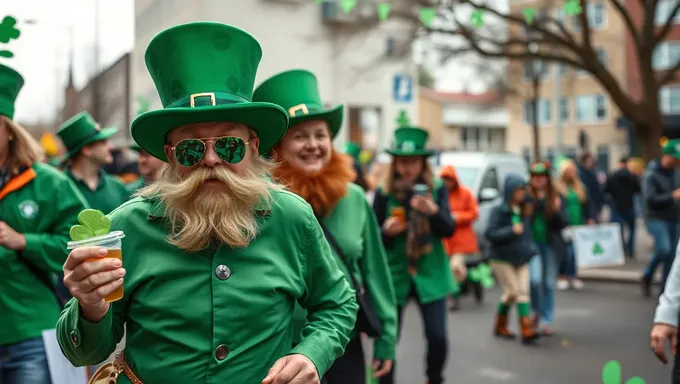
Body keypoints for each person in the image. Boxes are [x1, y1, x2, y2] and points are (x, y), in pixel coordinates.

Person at [56, 22, 358, 384]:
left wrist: (313, 353)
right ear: (169, 155)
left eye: (228, 145)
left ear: (253, 146)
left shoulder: (291, 217)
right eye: (191, 148)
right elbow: (84, 353)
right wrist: (90, 307)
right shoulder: (127, 226)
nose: (211, 160)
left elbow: (338, 304)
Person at [253, 69, 398, 384]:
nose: (313, 145)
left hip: (342, 337)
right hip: (279, 345)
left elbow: (374, 270)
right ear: (276, 146)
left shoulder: (354, 197)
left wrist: (386, 335)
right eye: (300, 136)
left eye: (320, 135)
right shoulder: (260, 202)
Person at [0, 63, 88, 383]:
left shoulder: (49, 183)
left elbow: (85, 244)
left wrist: (23, 241)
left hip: (29, 333)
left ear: (10, 130)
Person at [372, 123, 456, 384]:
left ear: (423, 164)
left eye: (413, 162)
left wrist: (432, 211)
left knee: (437, 336)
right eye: (402, 162)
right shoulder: (384, 194)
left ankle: (433, 378)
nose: (407, 168)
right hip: (395, 274)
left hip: (430, 271)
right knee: (387, 339)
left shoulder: (438, 190)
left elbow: (449, 229)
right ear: (394, 163)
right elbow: (372, 239)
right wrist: (386, 232)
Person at [486, 174, 539, 344]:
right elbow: (490, 233)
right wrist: (510, 230)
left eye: (523, 190)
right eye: (518, 190)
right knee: (514, 292)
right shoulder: (499, 210)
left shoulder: (525, 209)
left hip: (521, 257)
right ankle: (519, 328)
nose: (521, 194)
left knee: (520, 292)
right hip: (502, 258)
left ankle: (518, 329)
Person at [57, 111, 129, 214]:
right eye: (103, 142)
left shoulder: (117, 187)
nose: (110, 147)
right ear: (87, 149)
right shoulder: (59, 188)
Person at [526, 161, 568, 336]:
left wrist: (556, 210)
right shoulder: (527, 197)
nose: (539, 180)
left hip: (550, 245)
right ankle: (535, 310)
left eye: (542, 176)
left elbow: (563, 223)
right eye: (535, 177)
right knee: (534, 281)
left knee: (549, 283)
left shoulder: (556, 197)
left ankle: (546, 319)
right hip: (532, 244)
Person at [642, 139, 680, 297]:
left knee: (672, 256)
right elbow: (650, 199)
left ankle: (665, 292)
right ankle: (648, 274)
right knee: (664, 249)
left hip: (674, 218)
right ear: (667, 156)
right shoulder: (651, 174)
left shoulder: (676, 174)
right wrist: (672, 196)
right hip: (656, 217)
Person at [439, 164, 480, 311]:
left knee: (455, 267)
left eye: (448, 180)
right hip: (446, 241)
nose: (446, 183)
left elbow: (474, 213)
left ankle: (454, 296)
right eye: (443, 180)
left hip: (462, 240)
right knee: (449, 270)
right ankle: (468, 280)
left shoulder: (466, 193)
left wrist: (457, 217)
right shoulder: (440, 195)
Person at [554, 159, 595, 290]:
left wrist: (590, 218)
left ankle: (573, 275)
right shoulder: (558, 187)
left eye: (572, 171)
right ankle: (562, 275)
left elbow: (587, 203)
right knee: (566, 252)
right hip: (565, 225)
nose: (570, 174)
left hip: (578, 224)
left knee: (575, 252)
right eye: (568, 171)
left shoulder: (580, 186)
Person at [604, 156, 641, 259]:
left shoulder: (612, 176)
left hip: (616, 206)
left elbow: (606, 190)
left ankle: (622, 249)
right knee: (632, 229)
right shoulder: (632, 176)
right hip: (629, 205)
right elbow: (638, 190)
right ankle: (630, 248)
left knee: (618, 230)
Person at [578, 152, 605, 222]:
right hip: (589, 206)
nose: (591, 162)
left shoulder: (593, 171)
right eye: (590, 160)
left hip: (595, 205)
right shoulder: (581, 174)